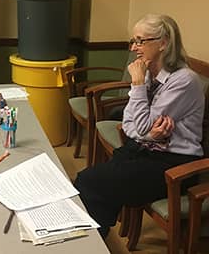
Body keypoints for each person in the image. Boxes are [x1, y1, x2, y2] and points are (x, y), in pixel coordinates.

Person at [74, 14, 205, 238]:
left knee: (91, 182)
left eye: (140, 41)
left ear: (163, 43)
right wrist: (147, 135)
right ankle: (93, 238)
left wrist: (137, 86)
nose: (134, 47)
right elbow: (128, 124)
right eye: (133, 41)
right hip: (146, 149)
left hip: (174, 163)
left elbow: (141, 126)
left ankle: (93, 242)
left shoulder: (184, 81)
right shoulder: (148, 73)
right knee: (88, 180)